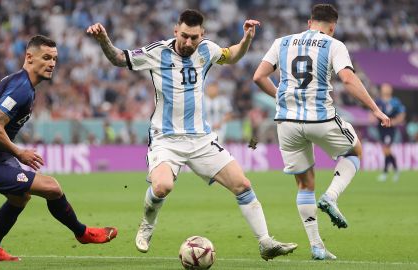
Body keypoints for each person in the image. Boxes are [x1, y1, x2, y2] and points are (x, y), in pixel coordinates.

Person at [87, 9, 297, 261]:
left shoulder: (207, 49)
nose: (188, 42)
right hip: (166, 138)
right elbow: (120, 59)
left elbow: (231, 56)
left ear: (202, 35)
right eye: (184, 36)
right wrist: (104, 41)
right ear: (176, 30)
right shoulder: (158, 52)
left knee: (243, 185)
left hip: (201, 139)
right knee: (163, 186)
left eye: (194, 38)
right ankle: (147, 225)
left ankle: (265, 242)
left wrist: (247, 39)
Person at [0, 35, 117, 262]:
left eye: (55, 59)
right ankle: (82, 233)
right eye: (46, 58)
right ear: (29, 57)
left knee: (20, 198)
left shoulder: (17, 82)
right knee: (52, 188)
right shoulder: (21, 89)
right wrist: (20, 153)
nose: (52, 64)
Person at [252, 4, 390, 260]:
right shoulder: (333, 44)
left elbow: (259, 76)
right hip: (320, 117)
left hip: (287, 122)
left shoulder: (281, 42)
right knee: (355, 151)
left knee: (305, 184)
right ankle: (331, 196)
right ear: (332, 27)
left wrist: (282, 97)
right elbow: (348, 79)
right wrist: (376, 109)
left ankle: (316, 246)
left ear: (309, 22)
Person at [374, 83, 406, 182]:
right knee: (385, 150)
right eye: (383, 87)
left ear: (390, 90)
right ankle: (396, 170)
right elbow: (373, 112)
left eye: (387, 87)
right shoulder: (378, 101)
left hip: (390, 128)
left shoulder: (395, 102)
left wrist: (394, 122)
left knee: (386, 149)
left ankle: (385, 172)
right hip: (381, 127)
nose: (385, 89)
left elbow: (402, 114)